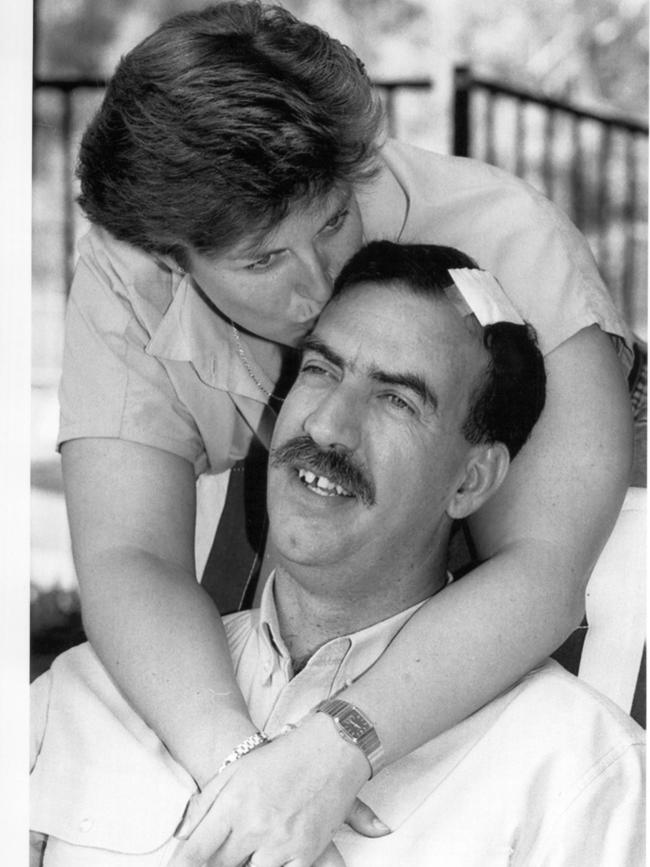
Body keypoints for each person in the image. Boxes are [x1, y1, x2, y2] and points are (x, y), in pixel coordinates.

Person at [57, 2, 635, 863]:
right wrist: (246, 771)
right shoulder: (127, 267)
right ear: (171, 255)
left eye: (333, 221)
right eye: (263, 261)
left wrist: (335, 749)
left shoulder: (514, 240)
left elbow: (547, 575)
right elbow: (127, 557)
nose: (325, 284)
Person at [32, 243, 644, 867]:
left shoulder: (574, 765)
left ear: (470, 481)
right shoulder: (81, 698)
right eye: (321, 371)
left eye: (396, 400)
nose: (327, 426)